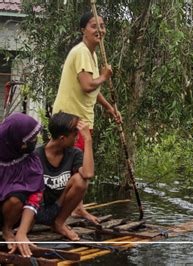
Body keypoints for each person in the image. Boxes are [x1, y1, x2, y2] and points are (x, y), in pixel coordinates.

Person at [52, 11, 121, 220]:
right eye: (94, 26)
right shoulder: (82, 51)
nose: (100, 30)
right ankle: (65, 210)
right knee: (77, 167)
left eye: (102, 25)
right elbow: (87, 85)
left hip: (80, 118)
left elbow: (93, 90)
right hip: (71, 119)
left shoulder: (91, 53)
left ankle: (77, 206)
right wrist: (104, 76)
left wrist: (109, 108)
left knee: (78, 165)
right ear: (83, 30)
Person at [35, 112, 96, 241]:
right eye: (75, 135)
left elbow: (88, 173)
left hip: (59, 209)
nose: (76, 138)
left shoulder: (74, 153)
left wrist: (88, 140)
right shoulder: (36, 156)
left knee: (81, 180)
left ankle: (59, 223)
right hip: (37, 212)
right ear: (62, 138)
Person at [0, 112, 44, 257]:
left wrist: (22, 232)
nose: (33, 142)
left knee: (16, 199)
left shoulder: (30, 159)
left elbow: (36, 193)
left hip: (12, 211)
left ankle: (7, 229)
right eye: (29, 140)